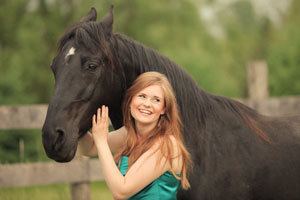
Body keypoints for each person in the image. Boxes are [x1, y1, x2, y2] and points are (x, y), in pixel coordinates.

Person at [78, 71, 192, 200]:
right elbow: (91, 147)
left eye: (156, 100)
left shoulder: (167, 145)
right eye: (142, 96)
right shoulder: (128, 134)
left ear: (164, 109)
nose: (147, 104)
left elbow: (121, 191)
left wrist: (101, 141)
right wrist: (72, 122)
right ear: (131, 100)